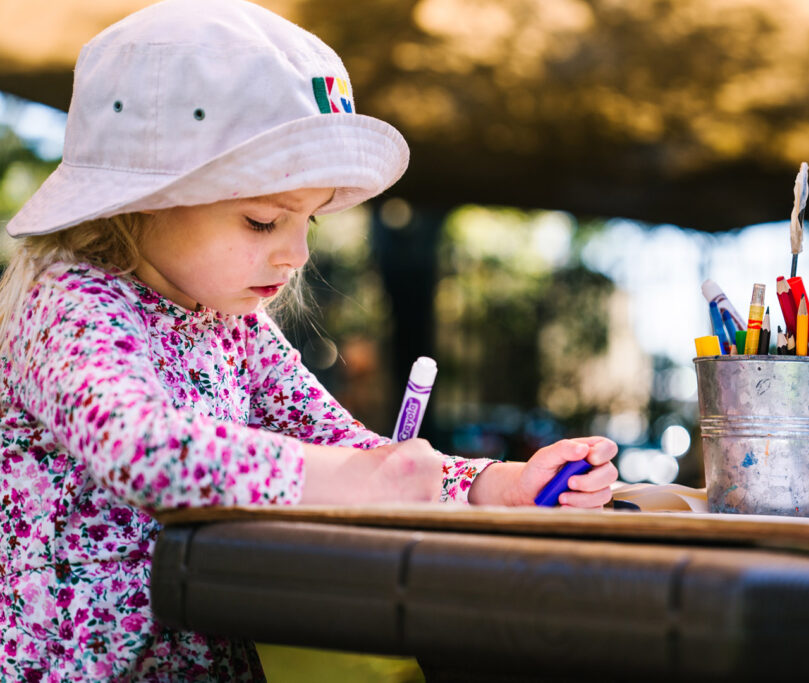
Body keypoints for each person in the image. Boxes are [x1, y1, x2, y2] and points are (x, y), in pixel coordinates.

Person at [0, 1, 618, 680]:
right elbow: (141, 449)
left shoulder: (231, 324)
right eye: (264, 220)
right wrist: (361, 478)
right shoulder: (69, 302)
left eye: (309, 223)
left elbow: (357, 454)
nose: (295, 254)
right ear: (144, 200)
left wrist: (496, 485)